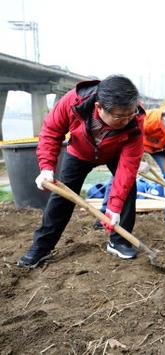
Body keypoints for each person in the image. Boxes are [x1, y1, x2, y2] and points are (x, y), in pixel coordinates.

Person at [18, 75, 145, 267]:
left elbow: (128, 167)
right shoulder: (72, 102)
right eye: (120, 116)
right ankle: (41, 247)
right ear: (99, 108)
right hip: (79, 152)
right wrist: (46, 167)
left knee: (127, 189)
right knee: (62, 198)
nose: (127, 120)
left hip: (115, 152)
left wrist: (114, 207)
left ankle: (119, 241)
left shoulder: (135, 119)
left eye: (130, 114)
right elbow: (51, 132)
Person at [95, 107, 165, 229]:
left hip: (160, 148)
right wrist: (133, 161)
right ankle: (105, 213)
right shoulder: (150, 121)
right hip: (136, 143)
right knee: (119, 176)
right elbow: (127, 136)